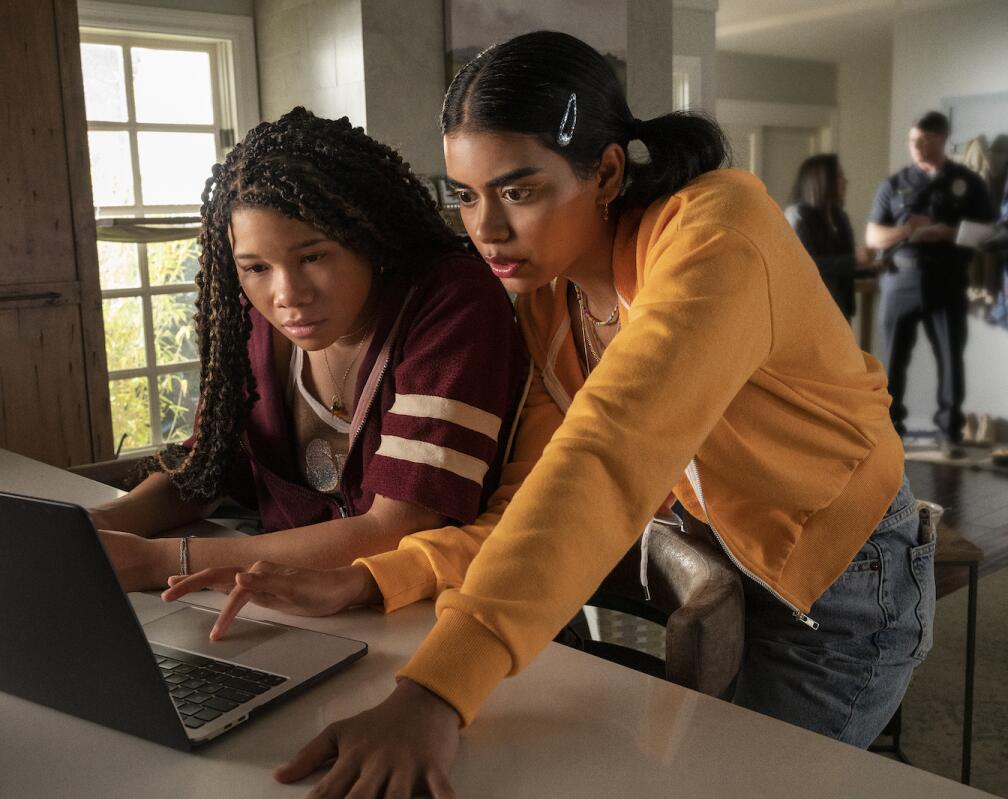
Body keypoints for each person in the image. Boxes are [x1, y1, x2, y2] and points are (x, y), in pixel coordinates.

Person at [165, 31, 936, 797]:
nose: (486, 229)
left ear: (604, 171)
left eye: (519, 190)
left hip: (845, 583)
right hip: (722, 557)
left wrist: (436, 690)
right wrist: (373, 579)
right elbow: (529, 500)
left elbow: (603, 459)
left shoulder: (718, 238)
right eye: (465, 194)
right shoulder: (545, 292)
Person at [90, 108, 527, 592]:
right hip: (292, 605)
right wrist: (103, 522)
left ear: (368, 237)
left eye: (312, 256)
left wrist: (161, 561)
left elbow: (398, 529)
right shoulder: (258, 324)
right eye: (256, 268)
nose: (287, 294)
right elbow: (210, 467)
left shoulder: (450, 299)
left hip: (444, 611)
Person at [866, 111, 996, 457]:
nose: (917, 148)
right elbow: (873, 235)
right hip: (900, 279)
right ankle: (889, 431)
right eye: (913, 141)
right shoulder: (894, 185)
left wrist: (947, 232)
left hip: (947, 277)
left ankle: (949, 432)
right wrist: (908, 230)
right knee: (892, 360)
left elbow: (989, 232)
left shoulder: (967, 182)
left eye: (924, 141)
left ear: (942, 138)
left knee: (950, 357)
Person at [785, 154, 859, 322]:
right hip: (809, 309)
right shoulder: (797, 216)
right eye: (839, 176)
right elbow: (805, 264)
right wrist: (855, 261)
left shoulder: (840, 216)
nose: (845, 181)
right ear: (822, 180)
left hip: (840, 307)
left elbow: (844, 262)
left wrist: (870, 264)